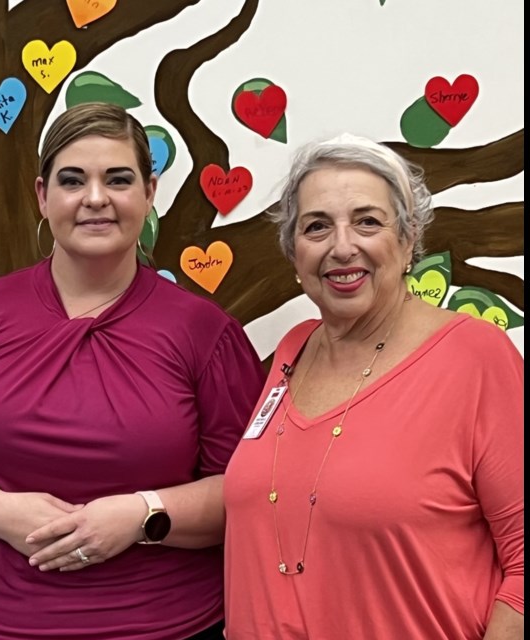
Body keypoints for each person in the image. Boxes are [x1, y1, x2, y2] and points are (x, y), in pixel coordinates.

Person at [0, 102, 265, 640]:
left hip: (165, 626)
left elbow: (247, 488)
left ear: (149, 194)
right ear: (43, 196)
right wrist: (1, 513)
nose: (94, 198)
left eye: (118, 179)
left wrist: (142, 515)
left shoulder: (204, 331)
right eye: (72, 180)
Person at [223, 134, 524, 639]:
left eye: (368, 221)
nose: (342, 247)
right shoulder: (295, 349)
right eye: (317, 227)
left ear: (407, 242)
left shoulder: (476, 357)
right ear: (294, 256)